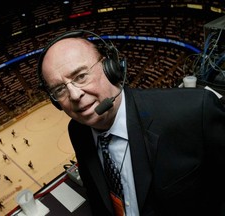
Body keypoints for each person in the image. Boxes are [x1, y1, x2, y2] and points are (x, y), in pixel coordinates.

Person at [37, 30, 225, 216]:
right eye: (60, 89)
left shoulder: (195, 111)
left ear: (110, 67)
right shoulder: (78, 131)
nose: (75, 95)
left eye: (81, 76)